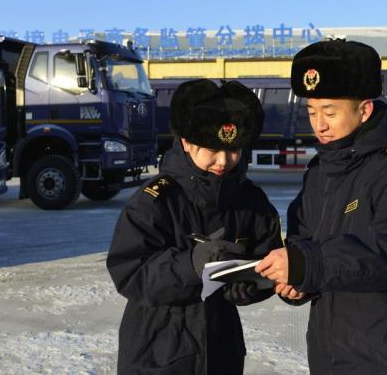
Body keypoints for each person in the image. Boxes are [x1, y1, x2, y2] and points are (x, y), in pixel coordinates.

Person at [256, 39, 387, 374]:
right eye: (311, 111)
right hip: (329, 353)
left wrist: (307, 263)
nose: (319, 124)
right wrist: (297, 281)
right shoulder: (319, 172)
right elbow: (305, 244)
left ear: (364, 110)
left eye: (330, 112)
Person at [107, 78, 283, 375]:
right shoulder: (156, 199)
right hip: (158, 350)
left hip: (220, 349)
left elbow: (268, 257)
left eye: (234, 150)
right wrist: (191, 264)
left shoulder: (250, 200)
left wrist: (252, 286)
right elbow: (130, 272)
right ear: (186, 142)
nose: (223, 161)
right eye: (211, 149)